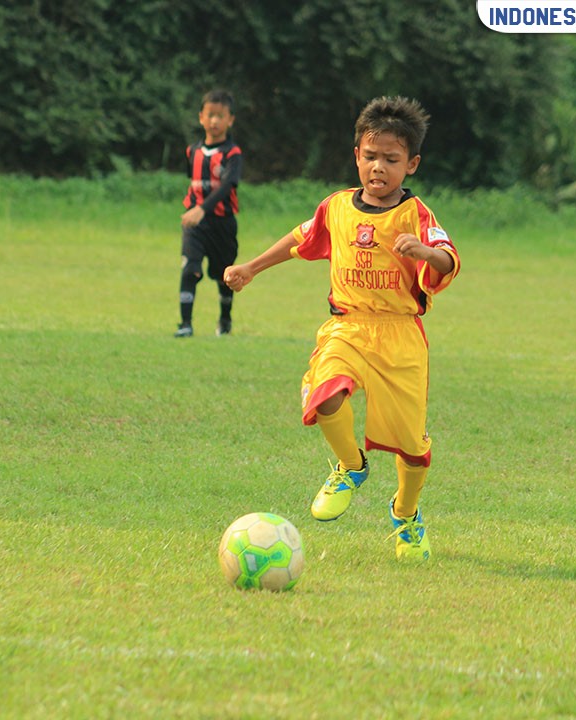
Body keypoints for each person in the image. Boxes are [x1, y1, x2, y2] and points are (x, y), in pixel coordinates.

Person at [224, 96, 460, 562]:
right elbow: (300, 239)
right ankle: (351, 467)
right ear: (357, 156)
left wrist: (424, 254)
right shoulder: (336, 208)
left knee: (412, 449)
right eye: (370, 156)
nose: (378, 167)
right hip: (347, 326)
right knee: (326, 394)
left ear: (410, 164)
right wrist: (251, 266)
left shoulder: (417, 216)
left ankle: (406, 515)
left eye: (391, 160)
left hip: (399, 334)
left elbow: (447, 257)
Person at [174, 89, 243, 337]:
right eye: (210, 115)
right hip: (195, 224)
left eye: (220, 116)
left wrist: (202, 209)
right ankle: (185, 324)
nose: (214, 121)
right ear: (201, 117)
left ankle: (225, 320)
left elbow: (227, 186)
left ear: (230, 120)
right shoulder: (192, 152)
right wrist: (195, 211)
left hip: (222, 224)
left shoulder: (232, 154)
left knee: (224, 275)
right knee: (189, 268)